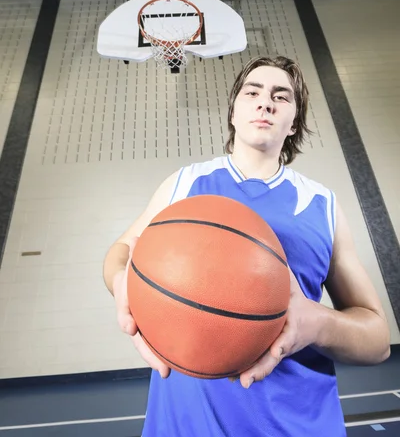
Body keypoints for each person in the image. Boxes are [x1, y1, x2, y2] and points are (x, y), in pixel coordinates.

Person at [103, 55, 391, 437]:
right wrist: (123, 281)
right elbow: (121, 251)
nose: (265, 101)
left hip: (295, 425)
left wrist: (318, 323)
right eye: (252, 91)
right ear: (234, 113)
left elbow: (377, 341)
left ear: (293, 124)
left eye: (281, 96)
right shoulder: (184, 184)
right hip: (184, 427)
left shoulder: (321, 205)